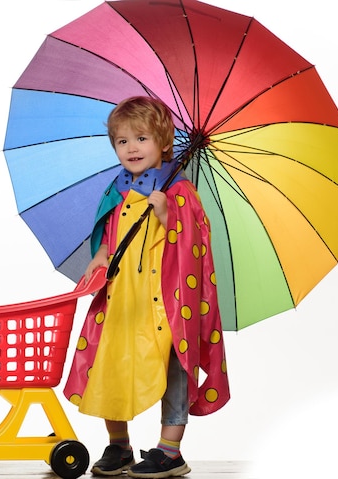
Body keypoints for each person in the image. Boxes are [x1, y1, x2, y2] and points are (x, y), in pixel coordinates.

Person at [63, 96, 230, 478]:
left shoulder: (180, 191)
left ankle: (169, 450)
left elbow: (195, 245)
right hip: (123, 299)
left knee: (173, 367)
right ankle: (118, 445)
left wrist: (167, 214)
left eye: (142, 138)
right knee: (111, 364)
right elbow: (109, 234)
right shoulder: (117, 190)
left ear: (164, 142)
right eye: (123, 141)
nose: (132, 148)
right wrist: (102, 254)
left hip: (165, 302)